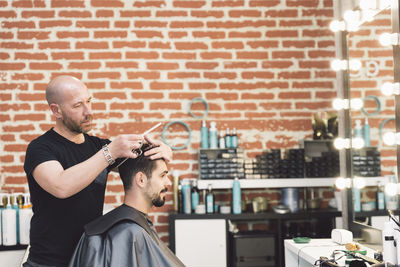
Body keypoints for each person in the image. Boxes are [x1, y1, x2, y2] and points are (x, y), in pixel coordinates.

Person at [23, 75, 172, 267]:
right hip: (48, 263)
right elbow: (61, 186)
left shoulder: (97, 147)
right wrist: (109, 153)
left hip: (88, 259)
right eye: (78, 106)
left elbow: (140, 165)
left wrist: (163, 150)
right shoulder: (41, 149)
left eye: (89, 101)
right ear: (56, 110)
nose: (89, 112)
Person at [68, 144, 185, 267]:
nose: (168, 182)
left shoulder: (131, 227)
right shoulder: (128, 233)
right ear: (141, 180)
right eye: (162, 175)